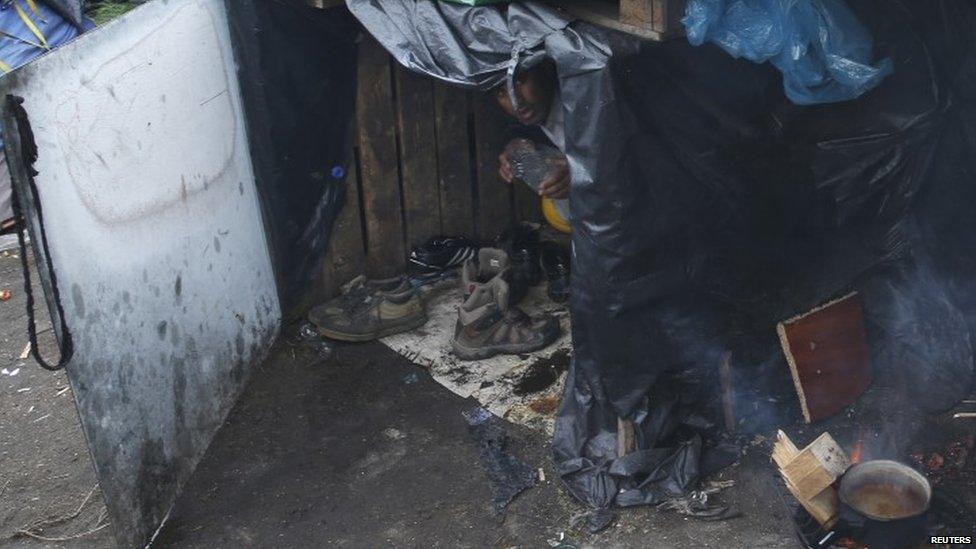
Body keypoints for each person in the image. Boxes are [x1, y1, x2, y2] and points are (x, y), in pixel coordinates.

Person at [494, 60, 571, 202]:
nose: (516, 101)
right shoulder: (533, 117)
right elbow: (517, 132)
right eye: (502, 92)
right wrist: (513, 145)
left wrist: (582, 171)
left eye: (519, 82)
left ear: (544, 70)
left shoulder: (579, 103)